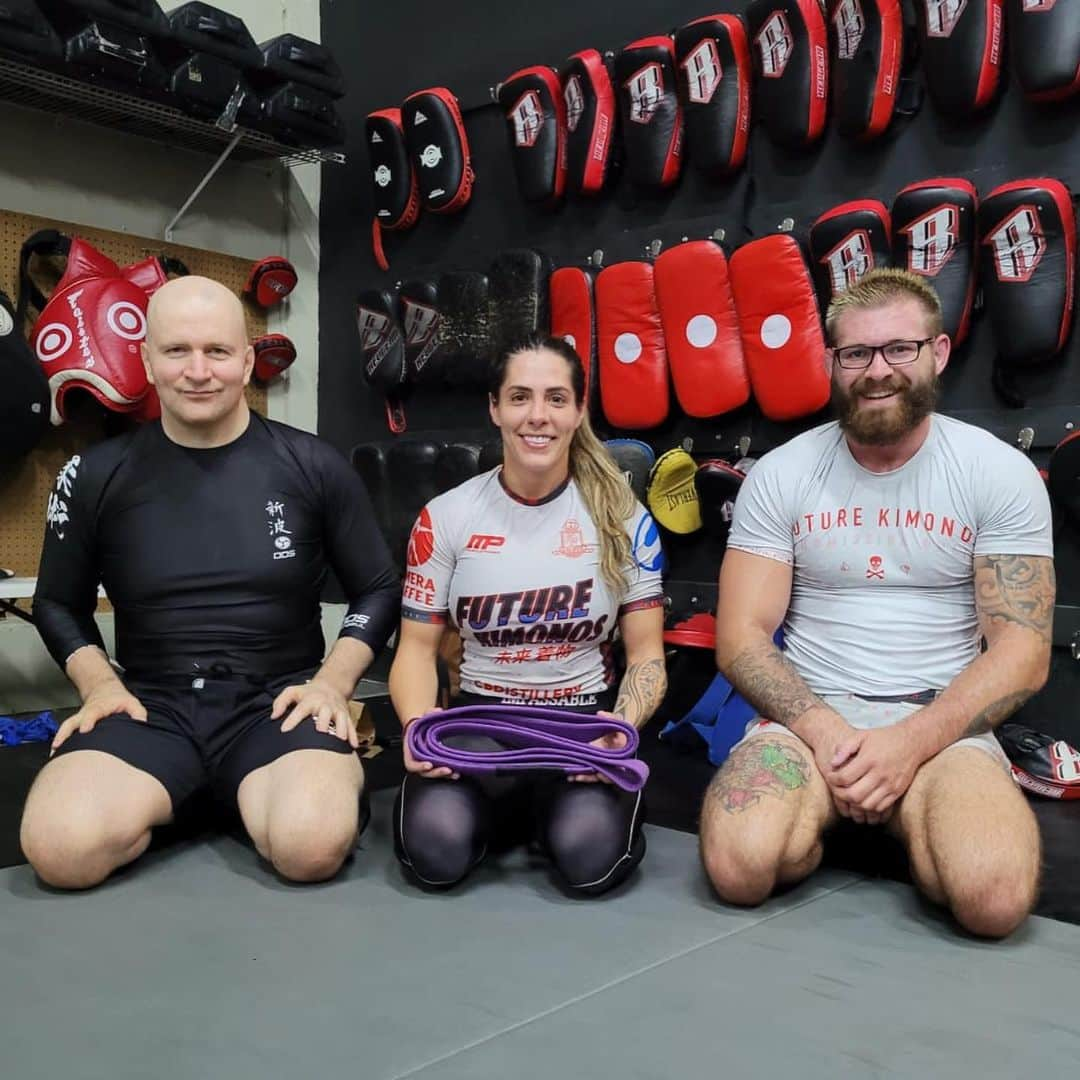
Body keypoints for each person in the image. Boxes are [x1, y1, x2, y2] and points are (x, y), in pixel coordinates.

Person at [699, 268, 1054, 938]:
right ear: (832, 362)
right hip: (811, 726)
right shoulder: (782, 475)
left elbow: (1024, 652)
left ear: (939, 352)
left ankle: (916, 821)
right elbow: (741, 636)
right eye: (856, 353)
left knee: (994, 899)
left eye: (900, 349)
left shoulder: (996, 473)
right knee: (738, 867)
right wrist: (834, 737)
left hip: (937, 727)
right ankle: (856, 816)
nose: (877, 370)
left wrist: (906, 746)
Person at [21, 276, 399, 888]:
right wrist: (96, 687)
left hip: (277, 705)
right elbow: (57, 603)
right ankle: (196, 792)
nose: (198, 371)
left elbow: (379, 587)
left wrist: (332, 685)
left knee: (310, 846)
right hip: (150, 707)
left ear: (247, 361)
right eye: (177, 351)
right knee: (59, 851)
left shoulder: (315, 466)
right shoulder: (94, 474)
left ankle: (250, 792)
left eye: (218, 352)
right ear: (146, 360)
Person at [388, 335, 667, 895]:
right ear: (494, 407)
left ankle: (542, 812)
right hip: (478, 725)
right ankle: (502, 812)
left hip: (580, 726)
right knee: (435, 851)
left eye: (556, 399)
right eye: (519, 397)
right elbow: (416, 650)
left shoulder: (623, 519)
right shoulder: (446, 518)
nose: (537, 416)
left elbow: (647, 657)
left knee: (590, 860)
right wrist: (419, 728)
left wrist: (622, 727)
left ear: (579, 410)